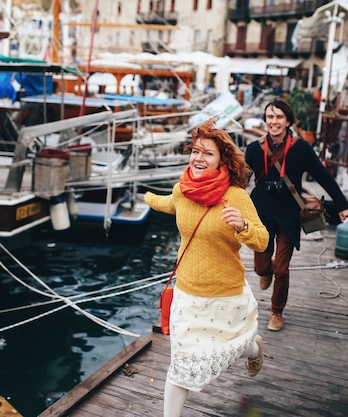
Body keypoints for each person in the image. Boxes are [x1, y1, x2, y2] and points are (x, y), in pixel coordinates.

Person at [144, 117, 270, 417]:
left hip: (225, 293)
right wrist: (146, 197)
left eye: (208, 153)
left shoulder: (236, 197)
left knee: (230, 350)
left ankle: (253, 348)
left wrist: (243, 226)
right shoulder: (182, 190)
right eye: (195, 151)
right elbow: (169, 203)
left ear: (222, 160)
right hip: (187, 294)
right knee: (181, 364)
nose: (199, 158)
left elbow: (262, 241)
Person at [244, 98, 348, 332]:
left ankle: (276, 311)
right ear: (265, 120)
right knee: (262, 268)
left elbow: (323, 176)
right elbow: (240, 180)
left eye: (279, 117)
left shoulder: (301, 148)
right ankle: (266, 272)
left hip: (289, 213)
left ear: (288, 121)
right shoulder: (254, 149)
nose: (274, 122)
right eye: (270, 117)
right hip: (260, 213)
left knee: (282, 269)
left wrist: (342, 204)